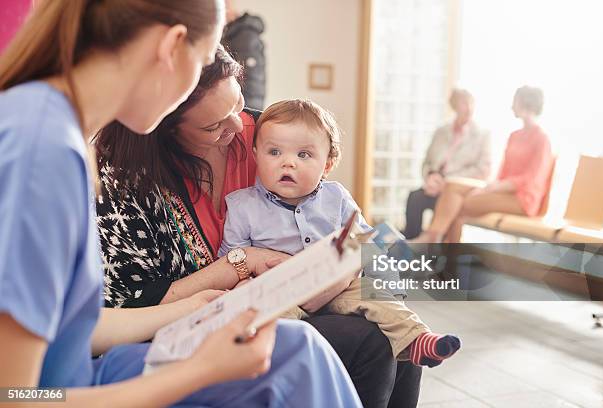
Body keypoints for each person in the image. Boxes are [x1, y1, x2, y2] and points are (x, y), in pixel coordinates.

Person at [0, 1, 362, 407]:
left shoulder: (53, 125)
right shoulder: (44, 153)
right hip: (65, 390)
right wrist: (200, 371)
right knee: (300, 353)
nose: (236, 126)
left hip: (81, 370)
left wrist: (191, 307)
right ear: (172, 48)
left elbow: (68, 327)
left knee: (301, 345)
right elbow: (16, 397)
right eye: (204, 59)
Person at [95, 46, 423, 408]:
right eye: (212, 126)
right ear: (161, 126)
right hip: (220, 313)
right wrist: (241, 261)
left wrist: (342, 272)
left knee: (403, 342)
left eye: (236, 103)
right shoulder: (124, 183)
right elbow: (129, 306)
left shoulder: (271, 138)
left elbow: (346, 224)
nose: (237, 127)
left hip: (319, 288)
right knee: (369, 341)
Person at [219, 99, 461, 367]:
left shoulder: (337, 197)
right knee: (266, 311)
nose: (288, 163)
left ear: (327, 164)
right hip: (279, 291)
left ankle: (418, 340)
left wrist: (390, 290)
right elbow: (230, 260)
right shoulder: (242, 205)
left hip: (338, 289)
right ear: (255, 156)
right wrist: (246, 284)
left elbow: (368, 244)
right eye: (274, 152)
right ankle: (289, 363)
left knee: (372, 291)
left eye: (303, 155)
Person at [412, 86, 554, 243]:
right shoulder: (515, 136)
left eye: (515, 101)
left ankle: (431, 242)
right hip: (503, 193)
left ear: (525, 103)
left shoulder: (542, 139)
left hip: (523, 200)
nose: (512, 106)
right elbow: (503, 172)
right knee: (453, 189)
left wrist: (495, 187)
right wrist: (489, 188)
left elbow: (532, 179)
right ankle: (436, 247)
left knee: (460, 205)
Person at [404, 89, 491, 239]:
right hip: (435, 185)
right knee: (415, 198)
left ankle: (433, 252)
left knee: (445, 206)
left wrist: (448, 181)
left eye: (471, 102)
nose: (469, 107)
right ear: (455, 106)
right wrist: (431, 177)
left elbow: (483, 170)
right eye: (464, 103)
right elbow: (427, 162)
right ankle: (410, 248)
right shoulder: (441, 132)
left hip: (457, 189)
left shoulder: (482, 135)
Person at [222, 0, 265, 110]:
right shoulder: (232, 33)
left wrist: (246, 114)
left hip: (242, 109)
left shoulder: (244, 35)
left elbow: (250, 80)